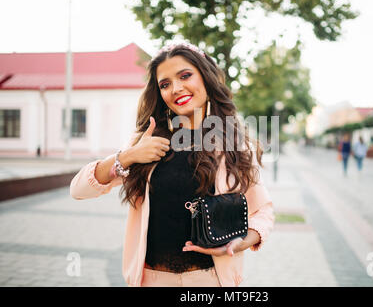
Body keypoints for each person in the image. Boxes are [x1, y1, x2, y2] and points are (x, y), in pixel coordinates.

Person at [69, 42, 274, 287]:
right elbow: (78, 190)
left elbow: (263, 212)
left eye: (185, 76)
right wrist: (128, 156)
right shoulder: (146, 142)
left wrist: (242, 241)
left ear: (206, 79)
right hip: (151, 280)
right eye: (165, 84)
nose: (176, 89)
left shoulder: (231, 144)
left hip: (210, 281)